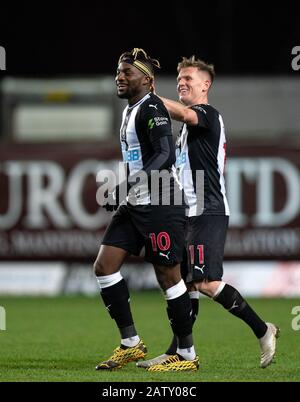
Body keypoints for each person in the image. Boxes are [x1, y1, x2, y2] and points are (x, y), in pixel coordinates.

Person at [138, 56, 280, 371]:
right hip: (187, 213)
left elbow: (185, 113)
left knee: (205, 283)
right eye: (179, 79)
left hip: (207, 211)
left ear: (206, 84)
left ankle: (263, 329)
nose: (182, 83)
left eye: (189, 78)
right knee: (185, 285)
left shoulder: (206, 114)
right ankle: (179, 351)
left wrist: (147, 97)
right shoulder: (185, 131)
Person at [94, 48, 198, 372]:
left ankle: (186, 354)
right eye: (118, 71)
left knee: (169, 277)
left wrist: (125, 186)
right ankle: (131, 344)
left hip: (161, 203)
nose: (119, 76)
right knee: (104, 267)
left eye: (127, 72)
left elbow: (165, 154)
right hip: (136, 202)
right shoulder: (130, 110)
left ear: (147, 79)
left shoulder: (152, 107)